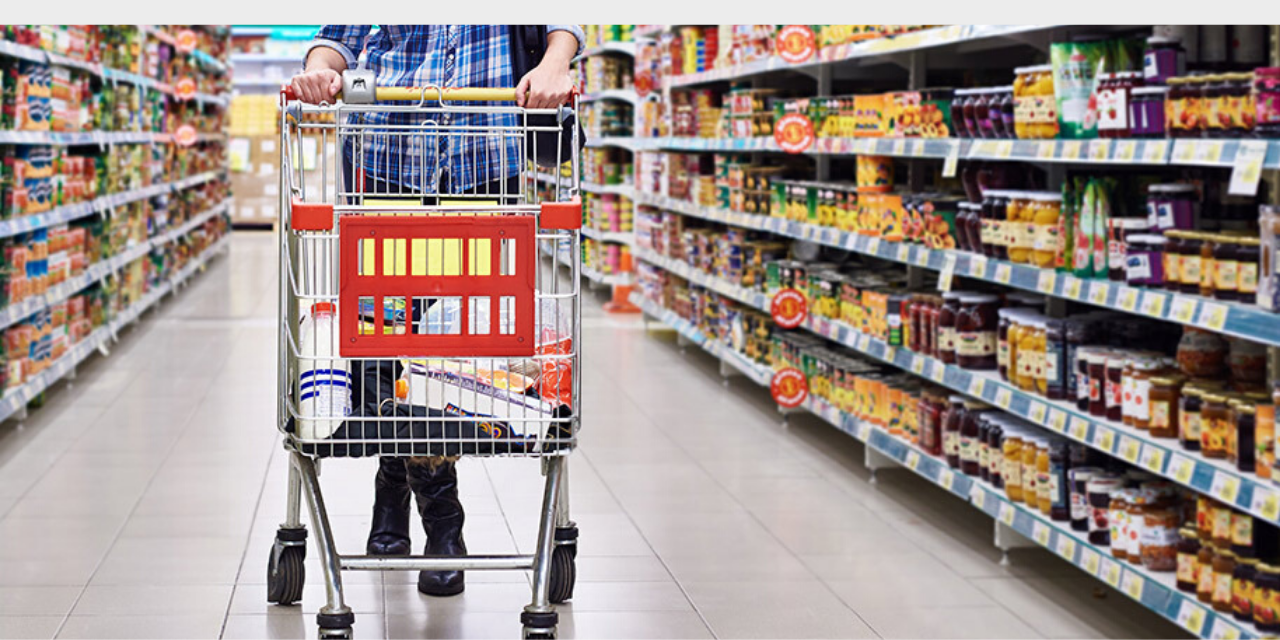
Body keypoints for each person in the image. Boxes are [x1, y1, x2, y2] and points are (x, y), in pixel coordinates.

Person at [290, 25, 584, 597]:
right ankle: (444, 522)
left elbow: (561, 21)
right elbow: (338, 35)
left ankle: (395, 496)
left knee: (449, 354)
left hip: (482, 166)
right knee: (384, 343)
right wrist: (320, 69)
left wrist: (556, 64)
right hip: (384, 160)